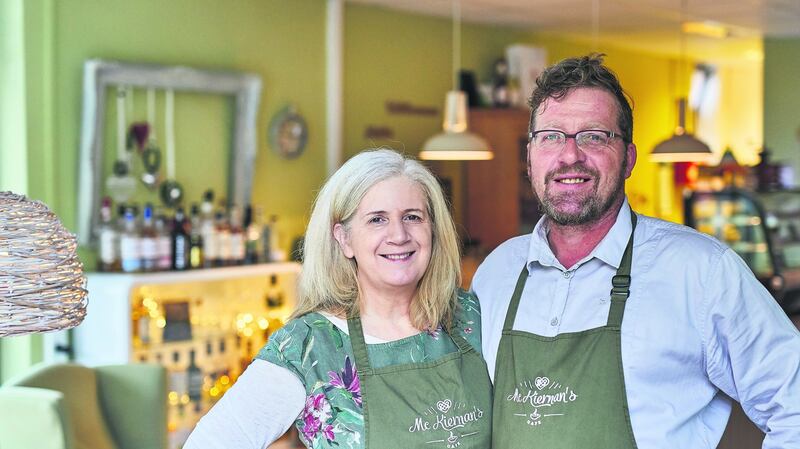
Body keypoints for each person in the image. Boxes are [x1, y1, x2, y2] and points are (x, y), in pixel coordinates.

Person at [472, 53, 800, 448]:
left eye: (594, 136)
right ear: (530, 157)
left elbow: (792, 404)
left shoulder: (699, 271)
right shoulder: (496, 273)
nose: (570, 155)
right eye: (551, 136)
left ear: (628, 158)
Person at [186, 149, 491, 448]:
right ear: (344, 239)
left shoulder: (470, 317)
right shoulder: (308, 346)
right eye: (377, 220)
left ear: (433, 231)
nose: (399, 235)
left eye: (412, 217)